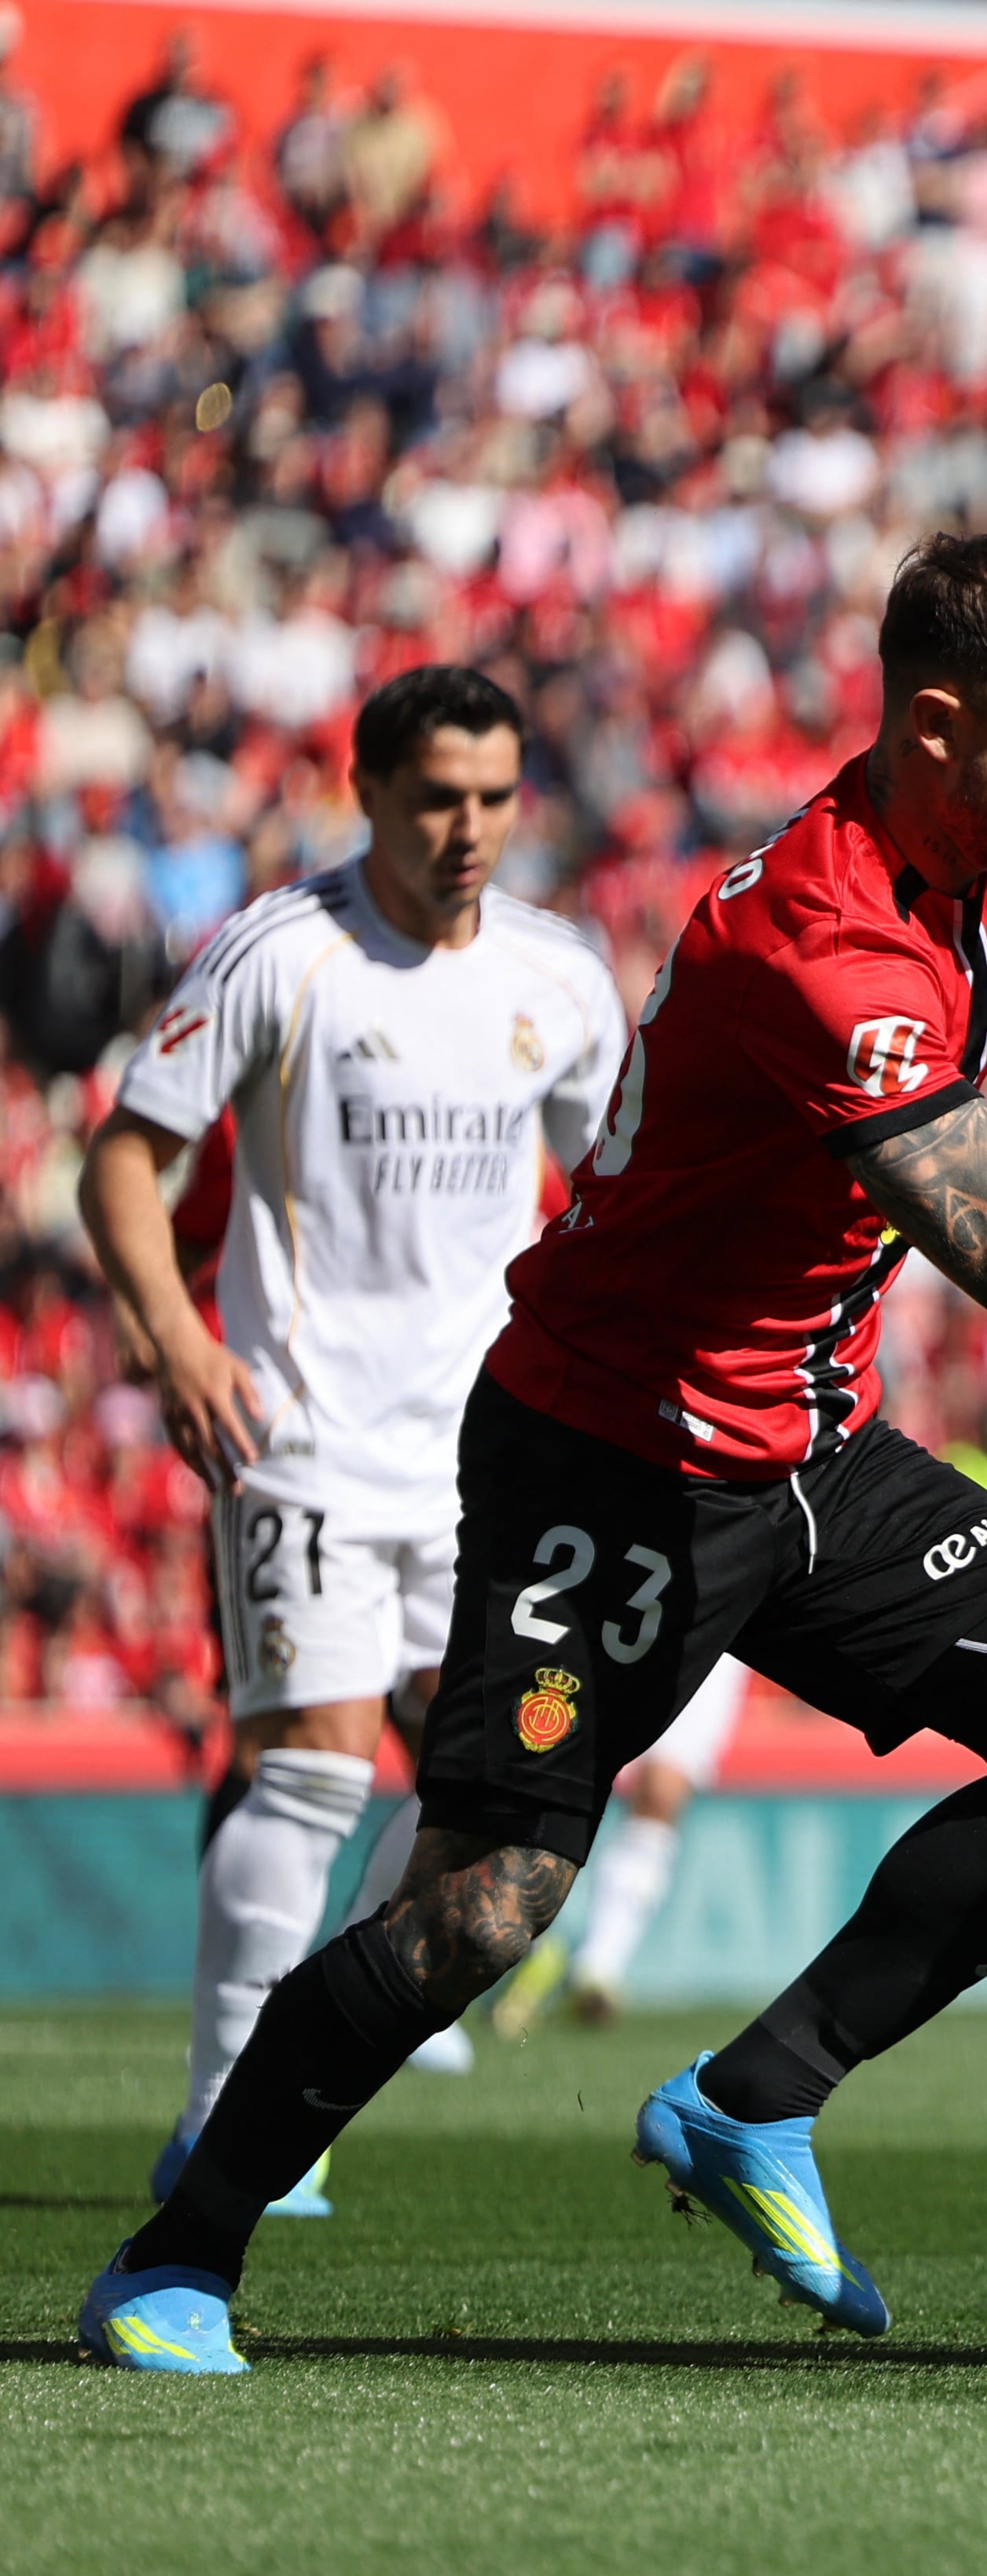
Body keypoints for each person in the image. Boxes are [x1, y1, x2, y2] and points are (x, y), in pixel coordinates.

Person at [82, 533, 987, 2375]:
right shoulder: (822, 943)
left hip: (810, 1447)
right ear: (941, 730)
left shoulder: (953, 859)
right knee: (483, 1905)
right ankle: (179, 2252)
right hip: (608, 1460)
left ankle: (755, 2095)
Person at [82, 666, 624, 2224]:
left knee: (494, 1798)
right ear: (369, 793)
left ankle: (302, 2064)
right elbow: (127, 1156)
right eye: (436, 797)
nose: (468, 829)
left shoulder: (558, 977)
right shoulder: (282, 953)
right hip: (303, 1429)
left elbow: (611, 1201)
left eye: (495, 798)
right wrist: (179, 1342)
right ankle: (219, 2125)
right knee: (311, 1775)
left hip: (490, 1452)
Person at [490, 1655, 752, 2037]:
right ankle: (529, 1942)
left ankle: (597, 1967)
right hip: (615, 1618)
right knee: (553, 1768)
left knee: (662, 1791)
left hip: (716, 1627)